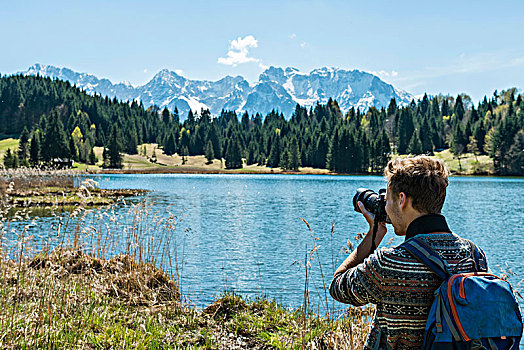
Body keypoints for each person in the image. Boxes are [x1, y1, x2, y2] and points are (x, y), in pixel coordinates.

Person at [329, 156, 487, 350]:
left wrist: (373, 236)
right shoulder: (473, 254)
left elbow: (338, 286)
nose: (386, 206)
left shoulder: (388, 263)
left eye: (387, 199)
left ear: (402, 199)